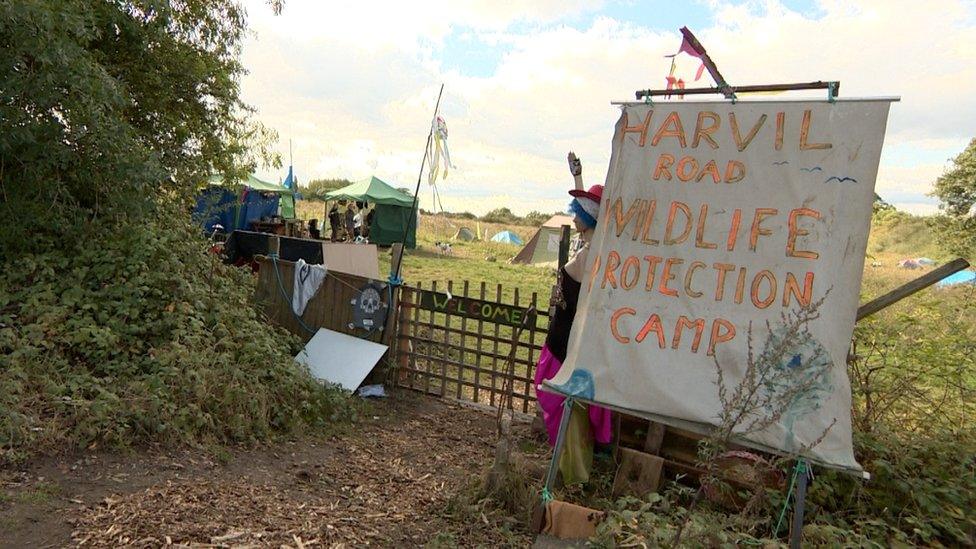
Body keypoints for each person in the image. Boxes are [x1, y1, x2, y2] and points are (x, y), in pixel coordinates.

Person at [534, 152, 612, 451]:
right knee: (554, 390)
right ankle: (564, 450)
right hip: (562, 332)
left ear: (590, 216)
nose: (574, 215)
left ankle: (565, 451)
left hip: (568, 336)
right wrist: (577, 177)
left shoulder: (593, 252)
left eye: (579, 212)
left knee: (556, 392)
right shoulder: (589, 245)